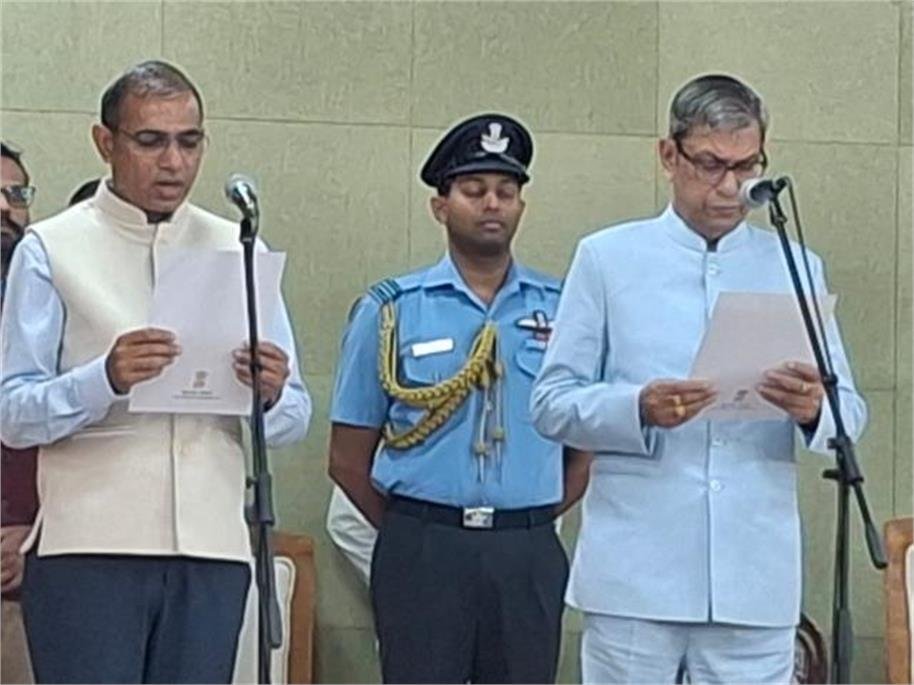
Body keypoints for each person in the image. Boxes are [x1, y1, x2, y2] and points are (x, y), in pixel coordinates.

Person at [530, 73, 867, 684]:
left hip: (753, 575)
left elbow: (851, 411)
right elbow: (551, 403)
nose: (731, 187)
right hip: (636, 573)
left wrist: (814, 409)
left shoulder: (793, 262)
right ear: (668, 155)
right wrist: (637, 406)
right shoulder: (608, 258)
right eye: (711, 164)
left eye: (747, 166)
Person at [0, 60, 311, 684]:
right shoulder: (52, 247)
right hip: (90, 545)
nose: (173, 162)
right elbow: (14, 414)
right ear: (105, 142)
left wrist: (271, 395)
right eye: (151, 141)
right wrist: (105, 379)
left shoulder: (237, 246)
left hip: (212, 546)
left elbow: (295, 417)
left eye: (189, 142)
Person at [328, 113, 591, 684]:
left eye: (506, 191)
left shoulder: (565, 308)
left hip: (526, 549)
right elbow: (347, 458)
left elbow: (584, 448)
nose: (492, 204)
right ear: (439, 206)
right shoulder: (391, 309)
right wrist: (416, 528)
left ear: (521, 205)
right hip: (423, 549)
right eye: (473, 190)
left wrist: (529, 517)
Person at [1, 139, 39, 685]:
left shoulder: (53, 309)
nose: (6, 208)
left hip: (30, 579)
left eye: (17, 195)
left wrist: (37, 538)